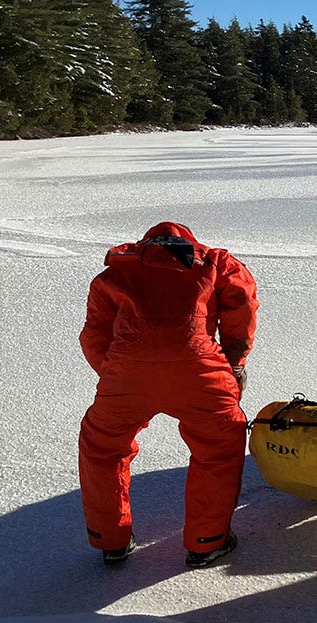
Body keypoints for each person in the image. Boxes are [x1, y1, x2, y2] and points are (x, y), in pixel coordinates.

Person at [78, 221, 258, 568]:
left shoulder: (115, 273)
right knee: (219, 446)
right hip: (201, 372)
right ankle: (207, 542)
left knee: (102, 448)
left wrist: (119, 375)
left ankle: (110, 541)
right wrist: (234, 364)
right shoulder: (217, 263)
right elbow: (242, 308)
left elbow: (93, 336)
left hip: (126, 375)